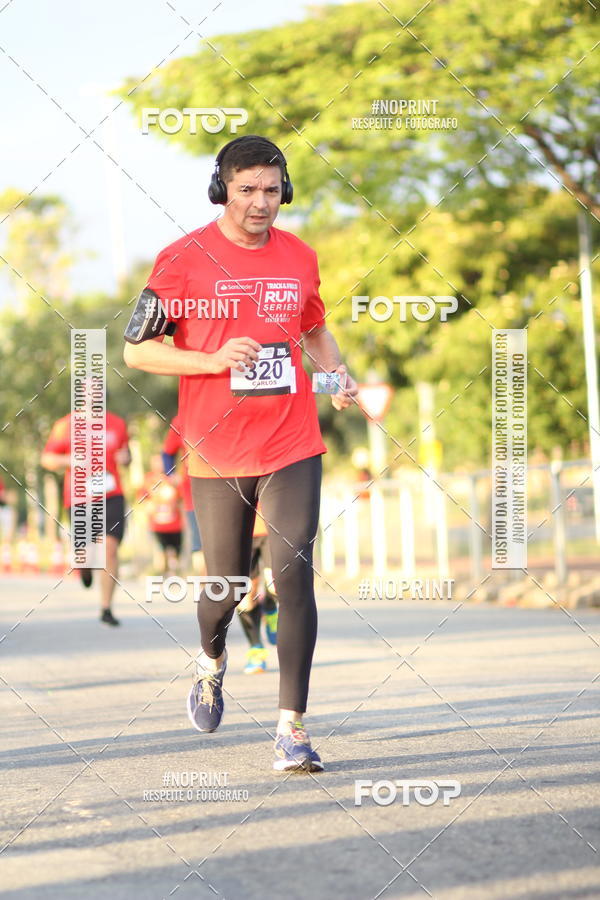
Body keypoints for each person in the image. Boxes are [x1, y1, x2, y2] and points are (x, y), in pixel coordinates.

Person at [124, 134, 357, 772]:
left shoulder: (300, 257)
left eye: (272, 189)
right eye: (247, 188)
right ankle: (211, 659)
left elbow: (313, 328)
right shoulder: (181, 260)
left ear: (287, 191)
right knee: (225, 588)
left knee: (292, 571)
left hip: (292, 440)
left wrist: (336, 378)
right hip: (218, 449)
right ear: (221, 188)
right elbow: (136, 351)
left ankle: (292, 729)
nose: (260, 202)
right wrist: (209, 359)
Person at [41, 406, 130, 626]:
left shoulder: (116, 422)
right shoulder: (65, 425)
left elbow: (126, 454)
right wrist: (69, 460)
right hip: (80, 497)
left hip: (111, 494)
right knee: (84, 554)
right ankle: (85, 566)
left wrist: (126, 457)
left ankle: (106, 608)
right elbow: (47, 458)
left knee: (109, 547)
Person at [161, 414, 206, 574]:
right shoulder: (181, 420)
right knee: (199, 542)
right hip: (193, 490)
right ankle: (207, 590)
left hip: (226, 485)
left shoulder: (225, 411)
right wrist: (171, 476)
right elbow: (167, 453)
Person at [237, 505, 278, 674]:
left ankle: (269, 607)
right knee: (245, 598)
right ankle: (256, 649)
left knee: (275, 584)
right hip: (239, 529)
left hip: (272, 525)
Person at [138, 454, 184, 575]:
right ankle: (167, 571)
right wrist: (148, 507)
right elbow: (142, 497)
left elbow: (181, 497)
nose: (159, 465)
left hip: (174, 522)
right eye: (156, 462)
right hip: (157, 522)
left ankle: (172, 569)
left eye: (161, 462)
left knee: (176, 548)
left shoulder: (172, 478)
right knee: (163, 548)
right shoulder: (148, 479)